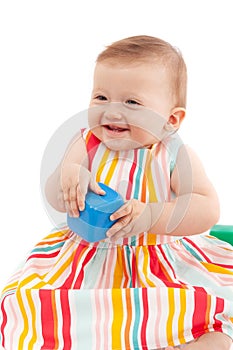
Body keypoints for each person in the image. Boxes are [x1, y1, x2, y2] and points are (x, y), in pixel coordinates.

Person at [0, 35, 233, 350]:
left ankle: (191, 340)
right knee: (26, 306)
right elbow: (55, 195)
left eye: (132, 102)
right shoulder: (85, 145)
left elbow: (207, 208)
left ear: (171, 120)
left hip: (157, 263)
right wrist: (68, 178)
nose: (111, 111)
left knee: (196, 310)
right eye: (100, 97)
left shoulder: (174, 156)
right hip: (86, 259)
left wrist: (153, 214)